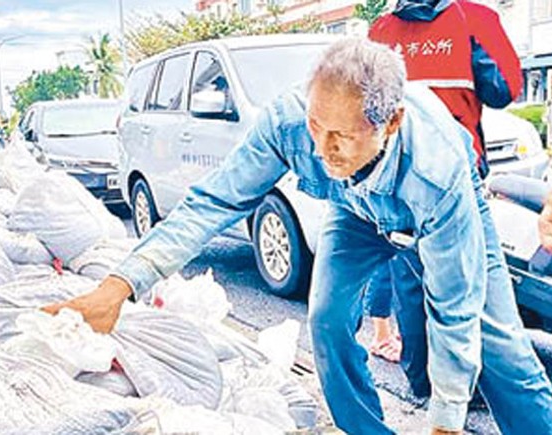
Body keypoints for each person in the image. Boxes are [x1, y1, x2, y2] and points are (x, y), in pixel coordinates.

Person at [44, 38, 552, 434]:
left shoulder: (436, 170)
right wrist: (119, 285)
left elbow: (452, 308)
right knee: (327, 319)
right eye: (316, 127)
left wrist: (445, 424)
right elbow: (214, 201)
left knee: (499, 347)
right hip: (354, 209)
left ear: (390, 123)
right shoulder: (287, 123)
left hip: (441, 209)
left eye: (342, 136)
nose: (323, 148)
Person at [368, 0, 523, 379]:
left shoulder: (380, 31)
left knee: (409, 273)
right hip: (455, 174)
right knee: (469, 280)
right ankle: (471, 383)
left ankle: (422, 379)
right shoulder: (475, 18)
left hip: (395, 175)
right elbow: (505, 89)